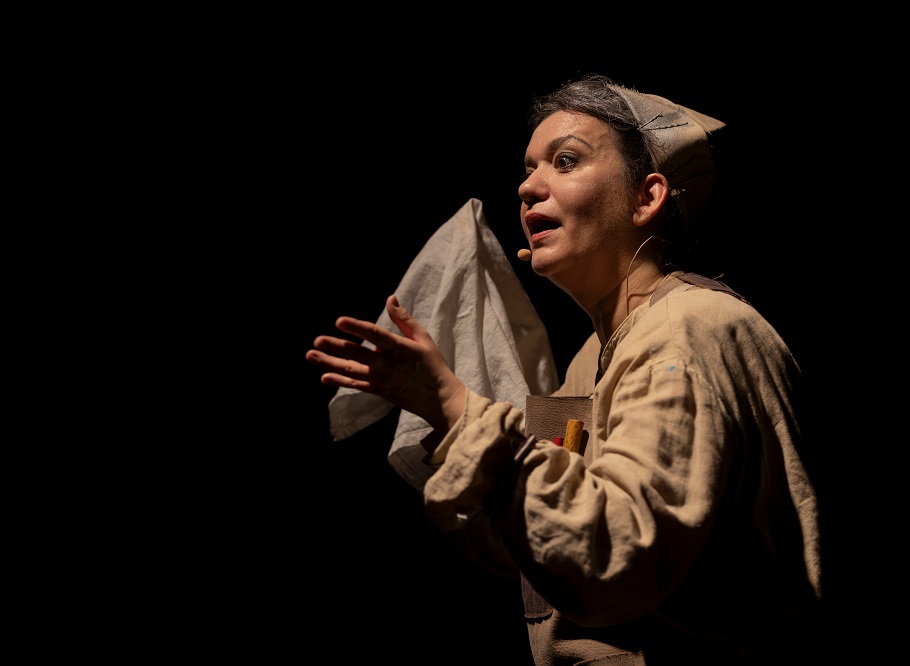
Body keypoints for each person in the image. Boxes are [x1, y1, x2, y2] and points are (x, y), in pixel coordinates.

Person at [306, 73, 823, 664]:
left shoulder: (686, 328)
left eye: (566, 161)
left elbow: (614, 556)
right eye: (527, 169)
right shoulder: (587, 363)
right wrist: (444, 416)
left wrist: (457, 406)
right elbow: (533, 547)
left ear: (646, 198)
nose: (527, 187)